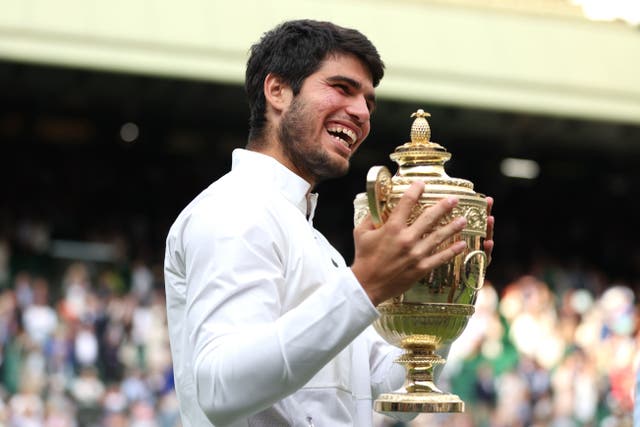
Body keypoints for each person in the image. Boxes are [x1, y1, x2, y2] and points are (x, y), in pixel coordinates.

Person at [164, 19, 494, 427]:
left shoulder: (319, 246)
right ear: (278, 91)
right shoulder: (234, 209)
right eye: (342, 88)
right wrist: (365, 285)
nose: (360, 112)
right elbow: (219, 387)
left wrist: (443, 289)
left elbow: (386, 390)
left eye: (369, 103)